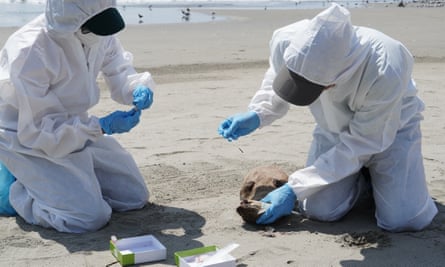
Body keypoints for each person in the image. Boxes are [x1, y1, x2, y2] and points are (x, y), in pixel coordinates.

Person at [218, 4, 437, 232]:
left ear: (334, 81)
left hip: (391, 130)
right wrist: (257, 113)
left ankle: (375, 177)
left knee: (404, 220)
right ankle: (362, 183)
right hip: (332, 127)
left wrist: (294, 188)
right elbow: (280, 75)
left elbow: (363, 142)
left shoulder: (386, 65)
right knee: (319, 210)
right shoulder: (288, 40)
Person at [0, 1, 155, 233]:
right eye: (94, 26)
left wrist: (135, 88)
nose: (103, 32)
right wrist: (100, 127)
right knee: (87, 218)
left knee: (132, 197)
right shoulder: (30, 50)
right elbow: (40, 130)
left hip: (74, 127)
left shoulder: (95, 28)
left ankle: (65, 184)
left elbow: (117, 66)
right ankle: (14, 191)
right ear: (70, 21)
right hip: (26, 138)